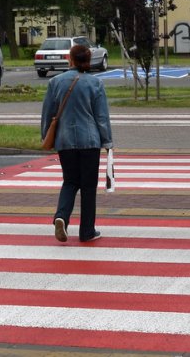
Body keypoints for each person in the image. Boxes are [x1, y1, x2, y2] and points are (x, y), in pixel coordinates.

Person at [39, 43, 113, 243]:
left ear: (70, 60)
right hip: (90, 141)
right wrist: (108, 141)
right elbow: (101, 117)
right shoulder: (95, 84)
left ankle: (61, 216)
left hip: (65, 141)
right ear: (88, 61)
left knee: (70, 182)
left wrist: (45, 135)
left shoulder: (56, 82)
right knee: (88, 186)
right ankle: (87, 231)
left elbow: (48, 113)